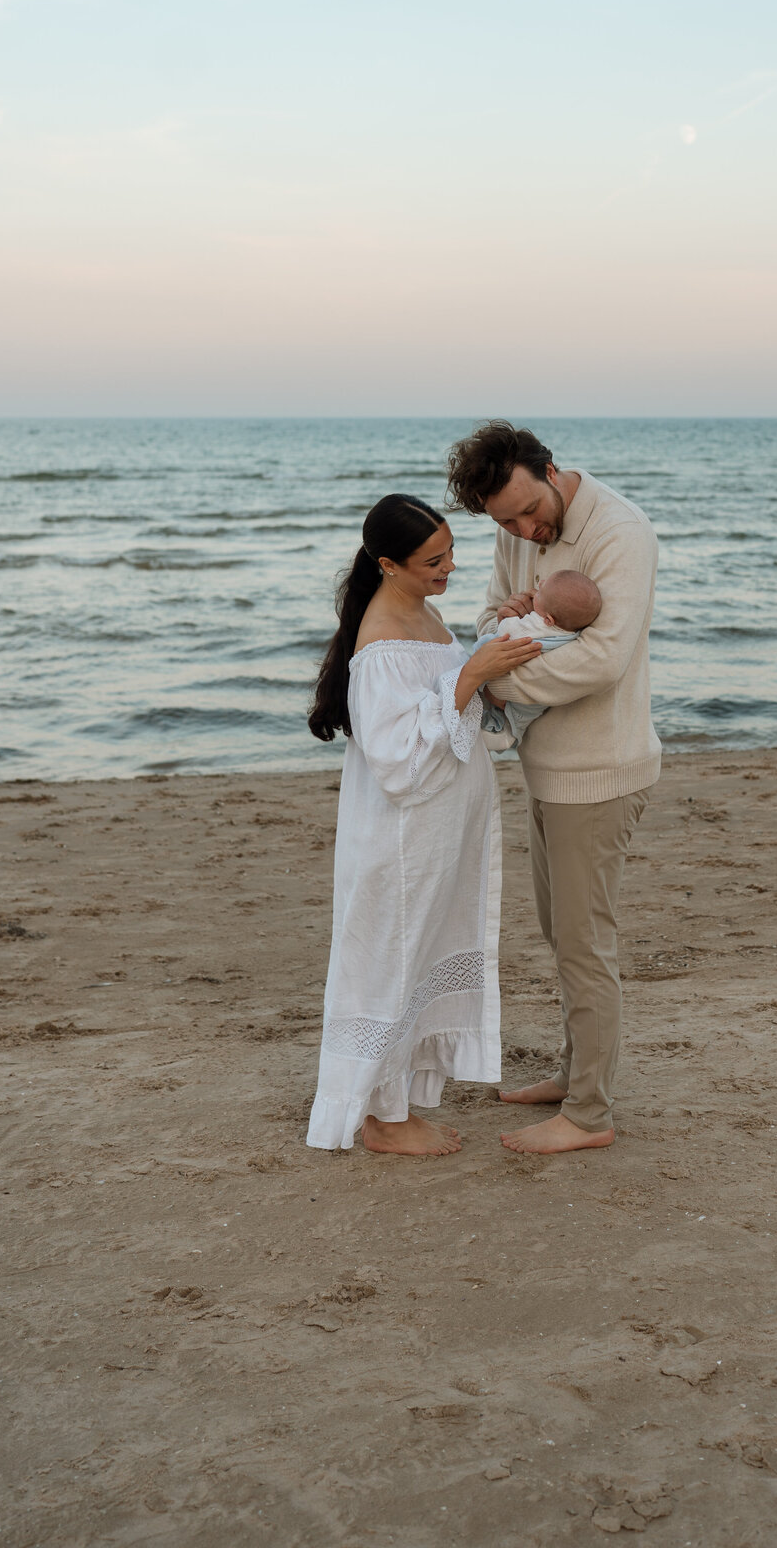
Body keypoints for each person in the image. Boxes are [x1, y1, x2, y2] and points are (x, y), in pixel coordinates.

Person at [446, 422, 660, 1155]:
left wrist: (491, 681)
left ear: (551, 470)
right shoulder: (517, 530)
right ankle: (575, 1076)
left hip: (599, 771)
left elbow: (601, 660)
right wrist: (502, 631)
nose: (524, 532)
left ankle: (590, 1115)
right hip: (546, 768)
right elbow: (487, 618)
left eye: (530, 512)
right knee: (560, 934)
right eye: (506, 523)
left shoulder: (620, 532)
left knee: (584, 945)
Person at [305, 493, 541, 1155]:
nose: (450, 568)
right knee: (391, 963)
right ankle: (382, 1119)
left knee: (419, 959)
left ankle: (398, 1104)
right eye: (434, 560)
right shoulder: (379, 641)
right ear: (389, 565)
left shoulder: (423, 610)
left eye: (451, 552)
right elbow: (396, 759)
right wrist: (471, 674)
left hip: (439, 833)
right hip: (402, 839)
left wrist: (493, 646)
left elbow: (448, 698)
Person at [478, 570, 604, 748]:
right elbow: (488, 613)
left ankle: (500, 732)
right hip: (538, 697)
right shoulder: (572, 632)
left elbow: (506, 630)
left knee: (508, 715)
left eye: (541, 592)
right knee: (518, 718)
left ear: (548, 620)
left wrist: (511, 618)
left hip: (519, 694)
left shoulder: (537, 626)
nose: (541, 583)